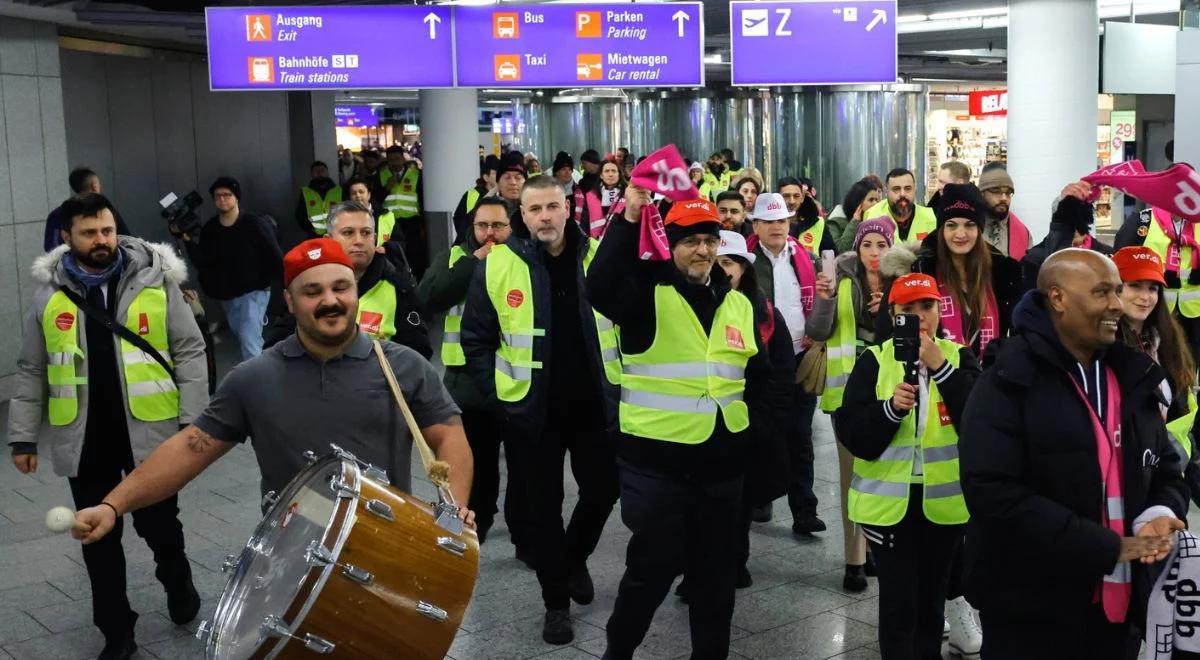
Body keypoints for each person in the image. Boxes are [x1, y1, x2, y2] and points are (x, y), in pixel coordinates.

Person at [71, 237, 474, 557]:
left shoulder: (402, 365)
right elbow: (190, 449)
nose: (330, 300)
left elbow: (449, 437)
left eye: (341, 287)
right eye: (313, 291)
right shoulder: (254, 378)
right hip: (290, 554)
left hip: (388, 545)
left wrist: (452, 514)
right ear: (290, 301)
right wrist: (112, 505)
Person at [960, 249, 1189, 660]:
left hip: (1117, 609)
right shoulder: (1008, 379)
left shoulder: (1133, 375)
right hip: (1029, 609)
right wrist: (1107, 546)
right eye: (1103, 292)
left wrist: (1155, 514)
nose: (1117, 305)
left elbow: (1167, 469)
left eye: (1118, 291)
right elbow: (992, 492)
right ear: (1058, 298)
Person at [9, 193, 207, 660]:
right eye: (89, 233)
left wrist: (192, 422)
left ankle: (177, 581)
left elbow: (190, 350)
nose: (102, 241)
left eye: (107, 230)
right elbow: (31, 368)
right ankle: (116, 631)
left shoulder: (156, 281)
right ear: (66, 237)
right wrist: (21, 435)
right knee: (97, 538)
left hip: (152, 434)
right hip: (85, 438)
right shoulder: (48, 295)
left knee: (159, 526)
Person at [587, 192, 771, 660]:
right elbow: (600, 285)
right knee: (649, 574)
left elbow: (759, 379)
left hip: (721, 469)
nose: (703, 251)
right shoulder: (646, 296)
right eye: (690, 241)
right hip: (657, 466)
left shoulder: (738, 305)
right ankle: (618, 651)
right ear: (670, 245)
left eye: (710, 241)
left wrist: (758, 445)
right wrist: (630, 217)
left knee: (716, 581)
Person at [461, 174, 620, 645]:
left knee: (604, 490)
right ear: (522, 216)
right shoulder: (499, 265)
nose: (545, 217)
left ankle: (572, 559)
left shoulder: (596, 256)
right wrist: (500, 401)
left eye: (552, 206)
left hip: (595, 404)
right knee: (542, 509)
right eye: (534, 210)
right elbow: (476, 341)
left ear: (567, 207)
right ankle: (556, 603)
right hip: (532, 412)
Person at [835, 272, 981, 660]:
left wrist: (941, 370)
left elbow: (980, 423)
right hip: (888, 506)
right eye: (908, 309)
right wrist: (890, 410)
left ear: (939, 309)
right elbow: (854, 434)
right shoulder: (875, 360)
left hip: (944, 506)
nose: (920, 317)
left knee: (932, 603)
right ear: (893, 314)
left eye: (927, 306)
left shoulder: (959, 356)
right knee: (899, 606)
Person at [417, 197, 531, 559]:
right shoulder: (454, 258)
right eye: (483, 226)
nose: (490, 234)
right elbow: (428, 298)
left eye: (498, 226)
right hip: (466, 382)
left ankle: (524, 536)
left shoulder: (523, 259)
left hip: (516, 378)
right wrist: (473, 263)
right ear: (471, 228)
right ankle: (471, 530)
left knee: (524, 465)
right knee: (474, 464)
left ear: (511, 227)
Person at [806, 218, 895, 592]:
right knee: (850, 480)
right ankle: (853, 560)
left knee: (885, 477)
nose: (874, 253)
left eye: (881, 245)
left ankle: (875, 549)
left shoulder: (899, 285)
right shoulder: (840, 281)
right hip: (847, 397)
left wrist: (884, 314)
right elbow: (818, 332)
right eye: (867, 245)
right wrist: (824, 300)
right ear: (857, 249)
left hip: (890, 396)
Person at [711, 229, 794, 593]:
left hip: (745, 427)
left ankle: (735, 562)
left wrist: (761, 422)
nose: (720, 270)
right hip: (698, 423)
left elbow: (779, 374)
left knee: (738, 503)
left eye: (728, 263)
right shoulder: (691, 307)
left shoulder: (765, 315)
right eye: (715, 262)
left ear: (744, 268)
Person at [746, 192, 824, 533]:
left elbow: (821, 300)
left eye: (781, 220)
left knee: (800, 435)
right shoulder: (744, 259)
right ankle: (758, 498)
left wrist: (816, 327)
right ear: (756, 225)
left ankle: (804, 509)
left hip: (800, 356)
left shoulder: (806, 258)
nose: (776, 227)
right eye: (768, 221)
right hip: (759, 362)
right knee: (762, 432)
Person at [263, 201, 430, 357]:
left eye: (366, 233)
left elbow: (418, 355)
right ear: (328, 241)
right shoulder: (306, 287)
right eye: (348, 233)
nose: (358, 241)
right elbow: (275, 351)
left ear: (374, 238)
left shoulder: (399, 288)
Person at [878, 184, 1026, 358]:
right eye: (952, 225)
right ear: (941, 229)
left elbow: (1018, 335)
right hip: (932, 377)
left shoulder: (1003, 273)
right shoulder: (918, 272)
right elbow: (886, 338)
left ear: (979, 229)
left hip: (989, 379)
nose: (960, 234)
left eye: (970, 225)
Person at [1112, 246, 1200, 490]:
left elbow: (1180, 417)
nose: (1145, 296)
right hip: (1126, 476)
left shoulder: (1168, 341)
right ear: (1114, 287)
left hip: (1168, 473)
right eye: (1135, 285)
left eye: (1153, 288)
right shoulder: (1102, 347)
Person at [182, 177, 282, 362]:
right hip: (228, 296)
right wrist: (187, 241)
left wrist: (287, 284)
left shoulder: (254, 224)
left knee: (248, 338)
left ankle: (258, 383)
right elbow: (203, 260)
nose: (222, 199)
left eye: (227, 195)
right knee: (246, 336)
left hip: (255, 291)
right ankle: (268, 367)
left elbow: (274, 254)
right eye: (217, 196)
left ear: (236, 198)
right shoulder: (211, 229)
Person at [1114, 179, 1200, 360]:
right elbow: (1120, 262)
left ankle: (1187, 388)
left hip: (1195, 310)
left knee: (1191, 359)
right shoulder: (1142, 221)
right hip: (1153, 308)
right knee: (1159, 356)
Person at [1021, 186, 1114, 286]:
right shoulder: (1034, 259)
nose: (1074, 227)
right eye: (1068, 221)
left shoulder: (1107, 256)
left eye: (1079, 219)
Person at [44, 167, 131, 251]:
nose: (100, 241)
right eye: (89, 233)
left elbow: (52, 248)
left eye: (106, 231)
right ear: (94, 187)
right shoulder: (107, 212)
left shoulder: (56, 214)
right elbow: (127, 240)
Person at [381, 145, 427, 276]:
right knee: (394, 254)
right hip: (390, 223)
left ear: (403, 159)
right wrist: (386, 188)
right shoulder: (381, 175)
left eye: (397, 159)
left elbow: (422, 199)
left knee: (415, 254)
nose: (394, 163)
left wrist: (423, 224)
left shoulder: (416, 175)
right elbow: (375, 199)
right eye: (391, 160)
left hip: (412, 221)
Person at [865, 168, 939, 243]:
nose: (902, 194)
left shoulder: (930, 217)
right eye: (896, 189)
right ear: (886, 192)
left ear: (915, 190)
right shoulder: (873, 216)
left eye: (908, 188)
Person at [978, 166, 1032, 261]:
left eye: (1008, 193)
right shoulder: (969, 227)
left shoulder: (1023, 233)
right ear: (982, 193)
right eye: (996, 191)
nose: (1004, 198)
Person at [779, 176, 835, 255]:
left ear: (802, 198)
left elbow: (832, 258)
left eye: (796, 196)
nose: (792, 201)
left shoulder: (818, 223)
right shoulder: (767, 224)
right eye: (786, 196)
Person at [452, 155, 500, 241]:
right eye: (496, 173)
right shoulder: (472, 195)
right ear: (486, 177)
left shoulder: (501, 196)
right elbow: (460, 220)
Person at [831, 178, 886, 253]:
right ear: (857, 202)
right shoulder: (836, 222)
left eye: (876, 200)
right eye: (871, 200)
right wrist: (855, 222)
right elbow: (841, 250)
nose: (875, 204)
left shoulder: (878, 221)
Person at [345, 176, 401, 247]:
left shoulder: (387, 216)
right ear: (350, 197)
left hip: (381, 256)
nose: (358, 195)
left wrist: (386, 248)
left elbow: (400, 242)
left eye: (361, 192)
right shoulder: (343, 218)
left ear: (369, 195)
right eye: (353, 193)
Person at [294, 160, 342, 238]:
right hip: (314, 235)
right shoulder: (306, 192)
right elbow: (300, 214)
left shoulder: (339, 191)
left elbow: (347, 211)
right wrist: (309, 229)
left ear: (327, 173)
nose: (319, 173)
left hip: (336, 233)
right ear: (311, 174)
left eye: (322, 171)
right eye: (316, 171)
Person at [584, 158, 625, 238]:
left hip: (622, 241)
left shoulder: (627, 193)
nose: (610, 174)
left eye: (613, 171)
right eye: (607, 171)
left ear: (619, 174)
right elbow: (585, 222)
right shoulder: (590, 195)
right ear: (601, 175)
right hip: (598, 243)